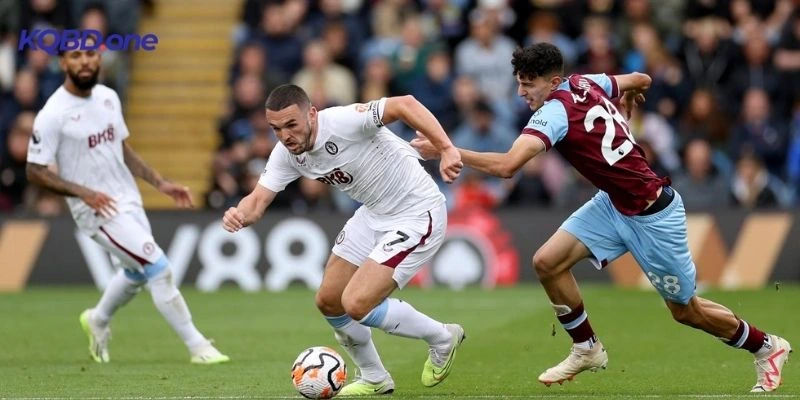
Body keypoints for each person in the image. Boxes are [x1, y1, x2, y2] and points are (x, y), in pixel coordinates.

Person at [412, 43, 792, 393]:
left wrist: (446, 149)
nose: (522, 93)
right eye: (519, 84)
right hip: (613, 203)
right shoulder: (586, 81)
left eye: (529, 85)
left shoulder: (555, 112)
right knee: (547, 262)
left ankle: (767, 346)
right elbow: (642, 78)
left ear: (554, 82)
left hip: (652, 215)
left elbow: (509, 165)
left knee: (685, 311)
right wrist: (629, 92)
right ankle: (587, 347)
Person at [222, 84, 466, 395]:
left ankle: (442, 337)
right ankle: (375, 377)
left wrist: (445, 148)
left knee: (357, 303)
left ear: (311, 114)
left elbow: (405, 103)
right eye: (276, 129)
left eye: (291, 124)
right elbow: (256, 202)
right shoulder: (287, 154)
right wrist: (238, 215)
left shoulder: (344, 121)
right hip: (373, 214)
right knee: (329, 301)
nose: (285, 136)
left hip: (417, 211)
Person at [25, 35, 229, 365]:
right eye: (75, 55)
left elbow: (121, 148)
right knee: (158, 267)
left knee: (135, 273)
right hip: (95, 210)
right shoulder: (53, 114)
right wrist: (83, 193)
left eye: (90, 53)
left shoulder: (107, 97)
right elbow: (35, 171)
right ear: (63, 63)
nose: (85, 61)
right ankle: (198, 346)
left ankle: (98, 319)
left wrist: (160, 182)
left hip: (127, 198)